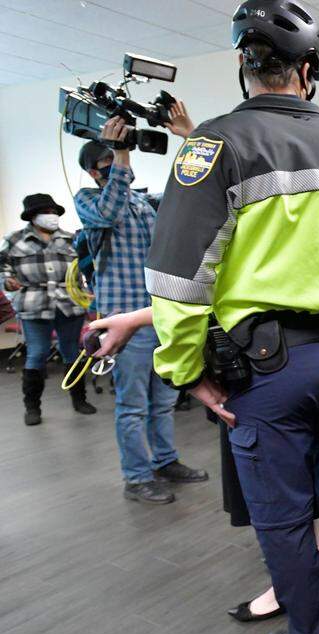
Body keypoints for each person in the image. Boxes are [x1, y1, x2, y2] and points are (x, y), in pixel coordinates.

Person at [144, 0, 319, 634]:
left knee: (282, 513)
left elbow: (179, 278)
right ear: (308, 71)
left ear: (245, 68)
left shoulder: (211, 146)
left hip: (270, 365)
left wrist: (185, 369)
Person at [89, 306, 319, 623]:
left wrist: (136, 324)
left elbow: (204, 294)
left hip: (264, 356)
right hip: (314, 350)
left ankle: (299, 601)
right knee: (313, 473)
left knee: (271, 481)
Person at [74, 99, 206, 504]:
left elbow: (188, 195)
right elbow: (108, 211)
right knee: (132, 407)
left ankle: (165, 461)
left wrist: (189, 137)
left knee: (163, 400)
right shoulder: (89, 201)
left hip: (155, 318)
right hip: (120, 323)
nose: (118, 169)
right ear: (98, 169)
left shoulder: (142, 203)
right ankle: (136, 477)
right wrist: (121, 153)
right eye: (110, 163)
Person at [1, 193, 96, 425]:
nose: (51, 217)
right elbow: (3, 266)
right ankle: (32, 408)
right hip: (34, 304)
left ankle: (79, 399)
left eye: (54, 212)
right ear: (32, 216)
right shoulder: (14, 240)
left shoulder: (70, 239)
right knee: (37, 353)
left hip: (69, 303)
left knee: (72, 352)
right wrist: (7, 280)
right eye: (46, 212)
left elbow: (85, 266)